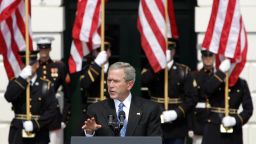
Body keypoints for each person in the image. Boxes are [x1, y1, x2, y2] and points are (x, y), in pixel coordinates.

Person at [82, 62, 162, 136]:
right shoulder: (95, 110)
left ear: (129, 85)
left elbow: (155, 140)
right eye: (109, 80)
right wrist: (89, 133)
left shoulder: (149, 109)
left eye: (116, 81)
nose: (111, 85)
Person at [141, 38, 198, 144]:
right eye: (163, 48)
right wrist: (158, 67)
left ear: (174, 51)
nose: (166, 51)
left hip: (177, 125)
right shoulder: (152, 69)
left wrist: (177, 113)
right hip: (155, 122)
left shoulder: (183, 71)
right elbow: (144, 80)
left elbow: (192, 98)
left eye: (169, 48)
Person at [4, 50, 58, 144]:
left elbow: (52, 111)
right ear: (21, 66)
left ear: (37, 64)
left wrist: (35, 124)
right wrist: (22, 78)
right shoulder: (16, 83)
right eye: (25, 64)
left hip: (39, 134)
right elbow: (8, 97)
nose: (28, 67)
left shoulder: (45, 85)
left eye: (31, 64)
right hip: (18, 133)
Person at [201, 59, 253, 144]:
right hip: (214, 129)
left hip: (234, 132)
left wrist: (235, 120)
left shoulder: (241, 83)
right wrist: (220, 73)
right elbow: (206, 91)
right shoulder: (213, 79)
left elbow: (248, 109)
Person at [35, 37, 71, 143]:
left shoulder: (59, 67)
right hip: (37, 116)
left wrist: (64, 118)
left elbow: (67, 95)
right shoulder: (33, 67)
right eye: (41, 49)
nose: (43, 52)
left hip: (54, 117)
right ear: (38, 50)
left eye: (46, 49)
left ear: (50, 49)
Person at [187, 50, 215, 144]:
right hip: (199, 120)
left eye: (210, 56)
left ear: (214, 58)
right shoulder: (194, 76)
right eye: (205, 57)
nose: (208, 59)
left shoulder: (219, 76)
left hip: (215, 119)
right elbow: (190, 101)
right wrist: (190, 126)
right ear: (202, 58)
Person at [80, 41, 111, 118]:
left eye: (105, 49)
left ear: (109, 52)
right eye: (99, 49)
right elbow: (85, 84)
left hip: (111, 110)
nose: (102, 52)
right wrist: (97, 64)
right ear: (94, 52)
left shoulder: (115, 68)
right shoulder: (88, 68)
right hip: (93, 109)